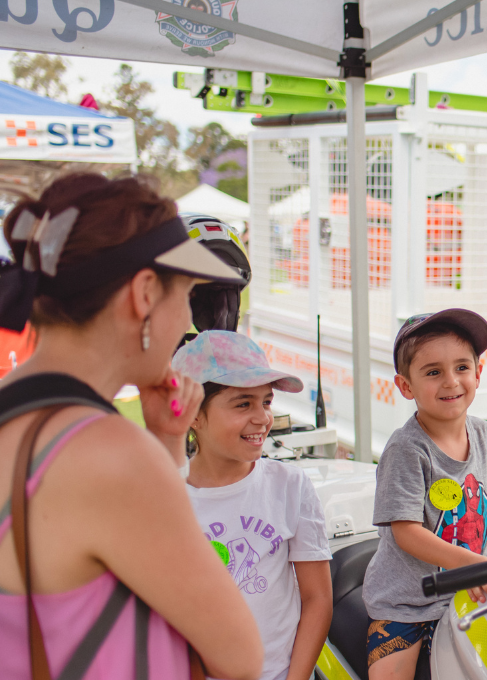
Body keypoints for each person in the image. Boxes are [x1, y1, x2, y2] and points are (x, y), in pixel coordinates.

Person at [0, 173, 262, 679]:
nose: (189, 316)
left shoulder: (18, 416)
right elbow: (240, 657)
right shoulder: (109, 455)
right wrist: (157, 450)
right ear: (144, 294)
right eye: (186, 296)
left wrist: (165, 438)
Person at [363, 309, 487, 680]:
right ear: (405, 386)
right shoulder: (407, 449)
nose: (451, 382)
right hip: (408, 604)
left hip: (475, 588)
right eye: (433, 372)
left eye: (461, 367)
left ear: (478, 373)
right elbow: (404, 531)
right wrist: (469, 564)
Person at [172, 331, 333, 680]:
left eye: (267, 401)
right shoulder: (168, 501)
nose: (262, 418)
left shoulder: (289, 486)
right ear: (193, 415)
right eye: (243, 404)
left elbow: (318, 598)